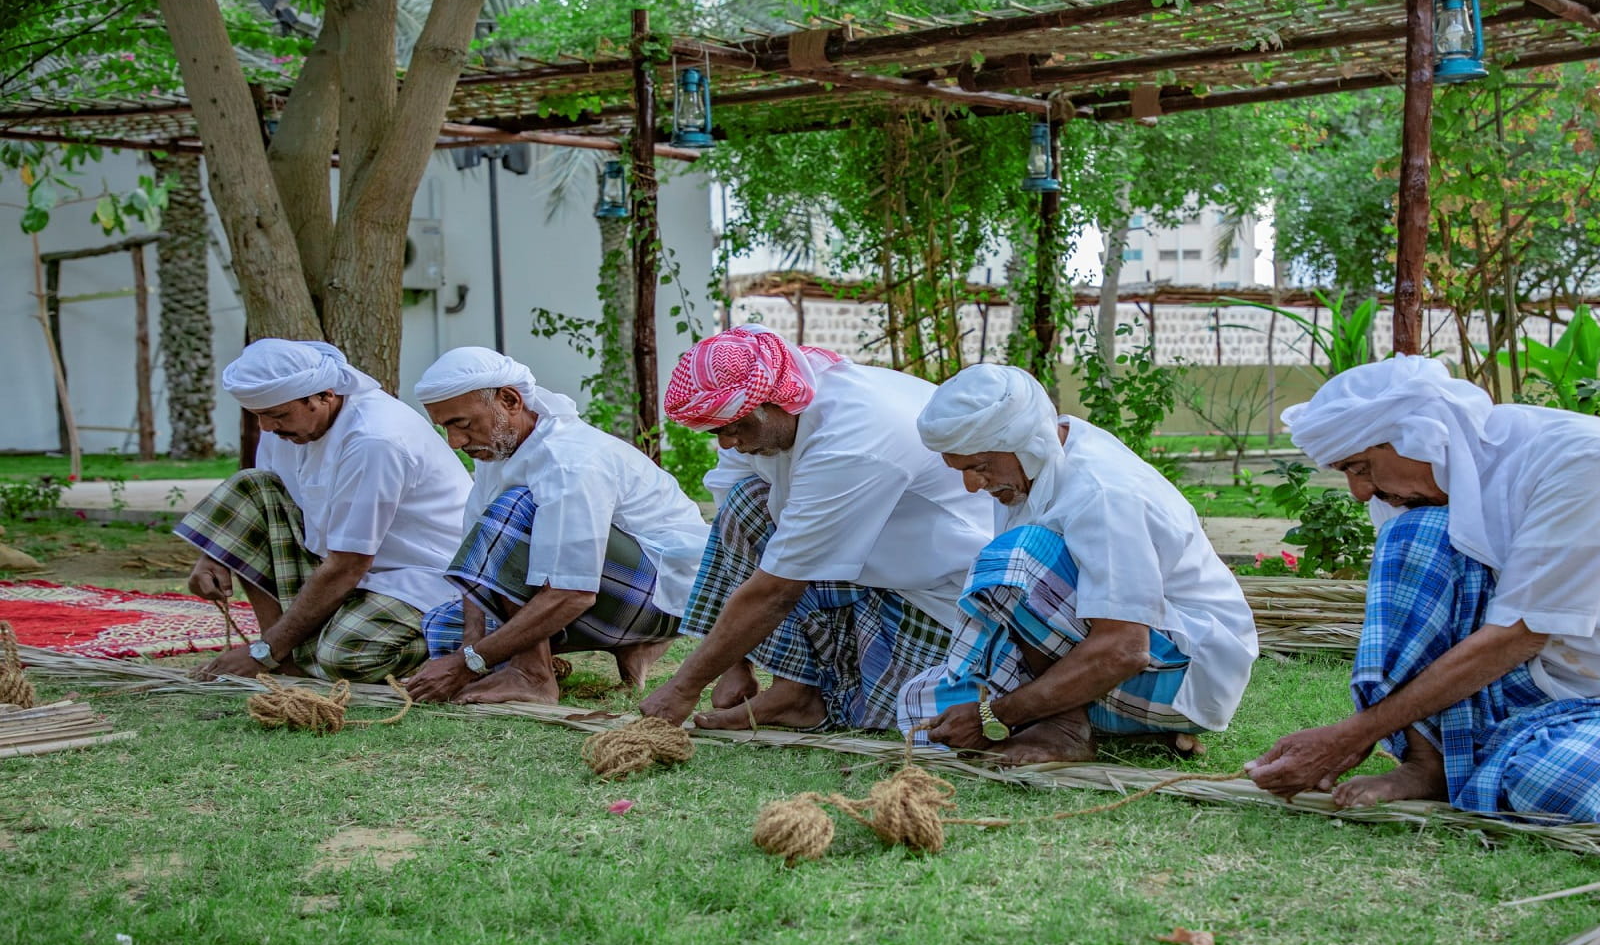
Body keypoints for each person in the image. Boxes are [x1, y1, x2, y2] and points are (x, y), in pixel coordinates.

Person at [1246, 356, 1600, 823]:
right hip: (1526, 682)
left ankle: (1523, 760)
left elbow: (1519, 634)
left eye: (1359, 467)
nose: (1360, 491)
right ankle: (1431, 764)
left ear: (1419, 437)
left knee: (1553, 788)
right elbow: (1434, 626)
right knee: (1414, 535)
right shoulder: (1415, 491)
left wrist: (1354, 735)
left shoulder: (1586, 460)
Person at [637, 326, 995, 732]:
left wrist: (683, 688)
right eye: (715, 431)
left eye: (732, 427)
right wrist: (735, 664)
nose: (726, 442)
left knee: (872, 717)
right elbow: (735, 540)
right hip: (873, 569)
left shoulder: (850, 439)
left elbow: (775, 592)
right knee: (745, 503)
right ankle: (795, 691)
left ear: (775, 403)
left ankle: (818, 691)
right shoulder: (765, 426)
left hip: (946, 592)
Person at [899, 364, 1258, 763]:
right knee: (918, 703)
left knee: (1016, 559)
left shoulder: (1102, 491)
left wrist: (992, 715)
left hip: (1183, 675)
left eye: (979, 466)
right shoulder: (1035, 467)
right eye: (962, 469)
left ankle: (1065, 728)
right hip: (1133, 665)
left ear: (1026, 444)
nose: (971, 485)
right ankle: (1122, 728)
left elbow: (1125, 648)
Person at [401, 347, 734, 705]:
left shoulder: (568, 461)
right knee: (441, 629)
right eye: (446, 429)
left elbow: (572, 593)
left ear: (510, 400)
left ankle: (532, 674)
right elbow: (480, 563)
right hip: (608, 595)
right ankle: (630, 646)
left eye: (462, 424)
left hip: (664, 595)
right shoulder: (497, 453)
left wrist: (469, 665)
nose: (455, 442)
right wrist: (469, 647)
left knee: (515, 508)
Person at [177, 339, 470, 682]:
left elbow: (348, 564)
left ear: (325, 396)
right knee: (251, 484)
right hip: (344, 565)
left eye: (277, 415)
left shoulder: (375, 440)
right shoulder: (285, 428)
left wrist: (263, 652)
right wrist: (215, 554)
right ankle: (286, 656)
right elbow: (261, 503)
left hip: (429, 576)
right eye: (259, 415)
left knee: (346, 655)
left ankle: (465, 646)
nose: (267, 428)